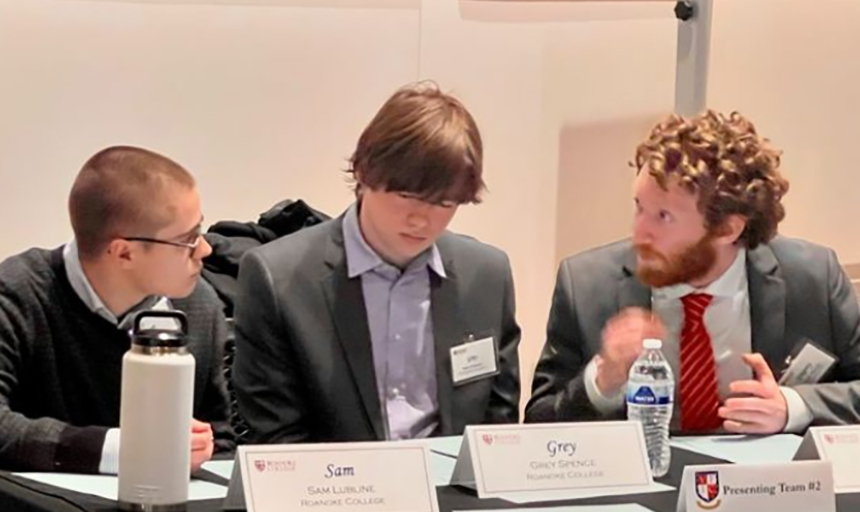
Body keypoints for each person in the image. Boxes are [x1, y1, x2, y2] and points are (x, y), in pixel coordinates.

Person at [526, 110, 860, 434]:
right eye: (639, 207)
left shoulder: (812, 278)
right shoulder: (586, 285)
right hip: (641, 486)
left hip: (767, 485)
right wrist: (602, 380)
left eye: (663, 217)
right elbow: (537, 426)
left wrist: (793, 407)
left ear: (728, 229)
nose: (640, 231)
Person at [234, 82, 521, 444]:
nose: (422, 220)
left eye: (444, 204)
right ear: (364, 173)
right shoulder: (279, 279)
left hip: (450, 492)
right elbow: (277, 436)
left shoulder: (487, 275)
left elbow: (496, 423)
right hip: (337, 490)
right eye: (406, 197)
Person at [0, 146, 234, 473]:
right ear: (123, 253)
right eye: (188, 239)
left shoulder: (198, 306)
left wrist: (201, 446)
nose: (205, 250)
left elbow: (222, 438)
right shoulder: (18, 294)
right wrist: (125, 450)